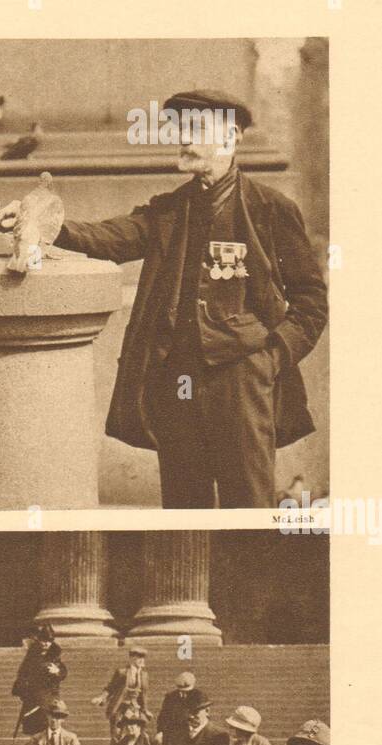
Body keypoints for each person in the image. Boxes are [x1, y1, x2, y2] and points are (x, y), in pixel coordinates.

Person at [54, 89, 327, 508]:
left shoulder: (270, 208)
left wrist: (271, 358)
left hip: (242, 380)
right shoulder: (169, 209)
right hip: (177, 382)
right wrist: (48, 224)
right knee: (184, 506)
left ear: (231, 137)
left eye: (197, 130)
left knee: (248, 504)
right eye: (181, 129)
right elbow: (109, 237)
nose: (184, 139)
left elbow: (311, 302)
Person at [12, 623, 67, 733]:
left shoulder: (54, 655)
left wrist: (58, 672)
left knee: (48, 724)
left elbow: (63, 671)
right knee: (33, 726)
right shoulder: (32, 656)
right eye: (43, 640)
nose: (46, 644)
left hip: (49, 697)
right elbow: (22, 674)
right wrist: (24, 688)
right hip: (32, 697)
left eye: (49, 641)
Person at [94, 646, 149, 738]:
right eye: (139, 657)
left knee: (138, 732)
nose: (142, 660)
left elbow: (144, 694)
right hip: (121, 707)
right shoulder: (122, 673)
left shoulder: (144, 675)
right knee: (118, 733)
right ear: (131, 658)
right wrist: (101, 698)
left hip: (135, 708)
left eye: (143, 658)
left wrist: (145, 709)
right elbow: (110, 688)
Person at [155, 670, 197, 745]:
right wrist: (160, 732)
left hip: (192, 735)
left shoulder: (199, 697)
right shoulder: (170, 697)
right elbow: (163, 717)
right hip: (173, 736)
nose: (185, 694)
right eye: (182, 691)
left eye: (187, 691)